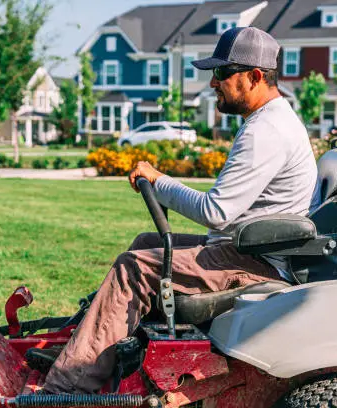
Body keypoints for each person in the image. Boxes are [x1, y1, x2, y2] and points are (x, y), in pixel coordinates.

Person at [42, 27, 318, 394]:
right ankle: (87, 352)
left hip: (256, 263)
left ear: (254, 77)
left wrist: (159, 181)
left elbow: (216, 211)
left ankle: (67, 387)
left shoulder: (266, 131)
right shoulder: (271, 121)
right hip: (249, 249)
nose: (212, 84)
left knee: (134, 268)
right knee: (145, 243)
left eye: (221, 74)